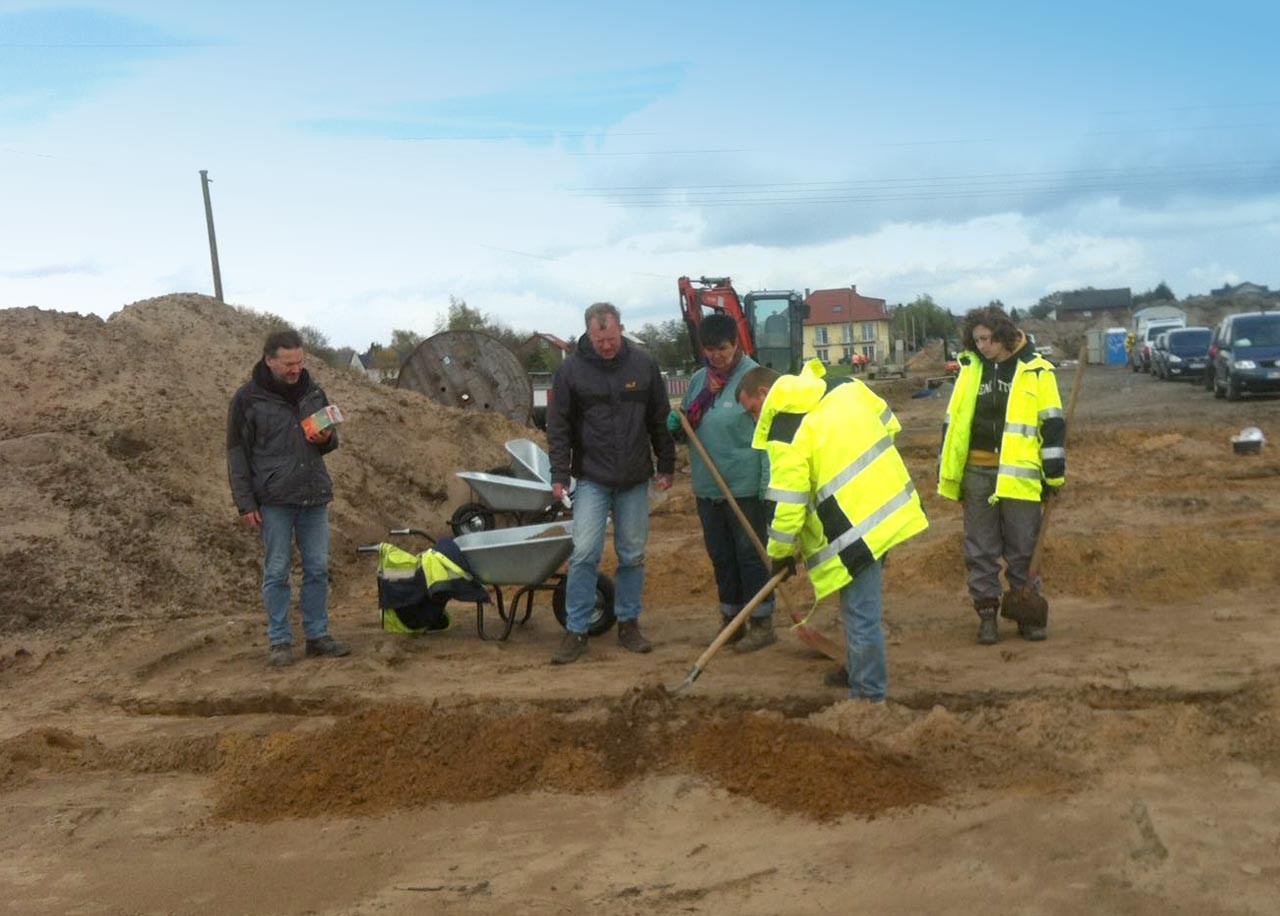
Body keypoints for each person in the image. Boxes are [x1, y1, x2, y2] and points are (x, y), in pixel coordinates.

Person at [736, 360, 928, 701]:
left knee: (860, 615)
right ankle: (858, 668)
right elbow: (889, 426)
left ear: (765, 393)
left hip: (855, 529)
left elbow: (788, 505)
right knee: (858, 609)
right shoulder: (845, 387)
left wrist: (779, 555)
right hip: (885, 506)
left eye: (753, 410)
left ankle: (868, 697)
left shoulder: (786, 432)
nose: (756, 420)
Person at [547, 302, 675, 664]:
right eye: (599, 338)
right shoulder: (571, 371)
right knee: (584, 553)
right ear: (588, 334)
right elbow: (558, 427)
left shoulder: (643, 365)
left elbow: (660, 419)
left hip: (635, 478)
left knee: (632, 554)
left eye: (612, 337)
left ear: (621, 329)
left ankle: (628, 623)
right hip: (592, 478)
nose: (606, 345)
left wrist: (665, 465)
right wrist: (559, 474)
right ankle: (576, 629)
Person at [937, 305, 1065, 644]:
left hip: (1020, 475)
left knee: (1023, 547)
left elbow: (1052, 425)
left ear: (1004, 336)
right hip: (977, 472)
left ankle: (1027, 612)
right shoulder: (969, 370)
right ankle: (987, 613)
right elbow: (953, 424)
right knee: (980, 549)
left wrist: (1054, 475)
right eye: (977, 339)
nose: (982, 346)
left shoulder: (1036, 371)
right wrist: (948, 470)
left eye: (988, 339)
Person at [227, 329, 351, 668]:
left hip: (313, 493)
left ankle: (317, 635)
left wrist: (326, 438)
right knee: (277, 571)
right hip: (274, 499)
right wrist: (246, 503)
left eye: (299, 362)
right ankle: (279, 640)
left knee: (317, 568)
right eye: (288, 364)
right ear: (269, 361)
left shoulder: (314, 391)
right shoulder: (247, 400)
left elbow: (330, 442)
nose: (296, 369)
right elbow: (237, 454)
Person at [667, 313, 775, 652]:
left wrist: (765, 487)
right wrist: (676, 422)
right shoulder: (700, 380)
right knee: (721, 556)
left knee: (750, 555)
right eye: (710, 349)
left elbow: (771, 439)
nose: (717, 356)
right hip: (709, 488)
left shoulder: (754, 377)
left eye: (723, 349)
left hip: (744, 487)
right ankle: (732, 620)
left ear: (736, 344)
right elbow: (685, 427)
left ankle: (761, 622)